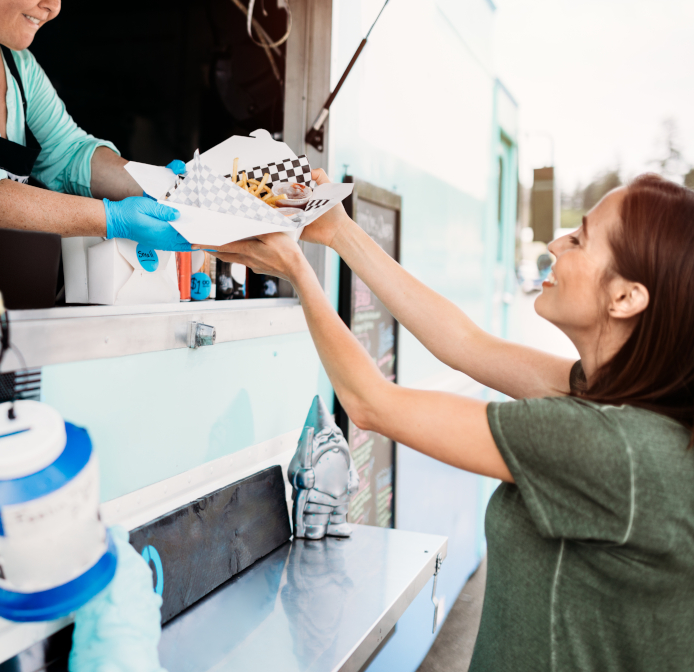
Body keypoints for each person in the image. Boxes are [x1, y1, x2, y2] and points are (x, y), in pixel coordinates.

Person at [204, 172, 694, 671]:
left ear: (626, 298)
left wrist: (298, 271)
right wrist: (337, 231)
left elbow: (371, 403)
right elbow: (464, 344)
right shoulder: (617, 404)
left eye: (580, 239)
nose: (555, 243)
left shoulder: (608, 445)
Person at [0, 0, 188, 251]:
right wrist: (112, 218)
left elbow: (68, 154)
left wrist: (163, 187)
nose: (53, 7)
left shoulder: (19, 65)